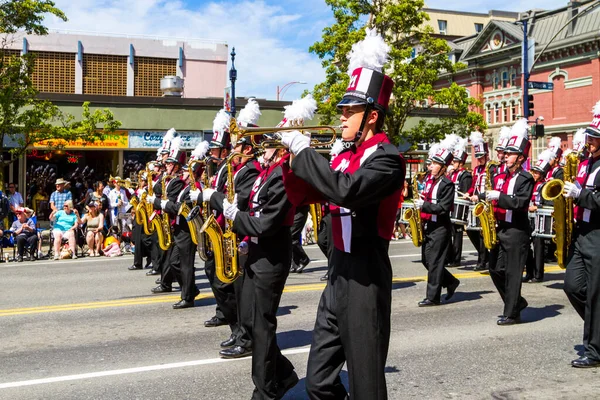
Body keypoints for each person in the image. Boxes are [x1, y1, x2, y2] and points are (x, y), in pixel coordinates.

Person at [281, 30, 405, 399]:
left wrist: (306, 153)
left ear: (372, 115)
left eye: (350, 109)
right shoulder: (345, 156)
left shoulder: (388, 159)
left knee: (367, 386)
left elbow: (346, 191)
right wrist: (291, 160)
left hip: (366, 277)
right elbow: (306, 195)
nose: (342, 114)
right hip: (338, 274)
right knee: (319, 382)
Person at [221, 140, 297, 399]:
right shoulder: (266, 173)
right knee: (252, 323)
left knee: (263, 326)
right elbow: (251, 206)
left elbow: (265, 223)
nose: (262, 151)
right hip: (255, 251)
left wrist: (233, 214)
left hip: (271, 255)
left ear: (281, 150)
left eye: (268, 147)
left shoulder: (283, 175)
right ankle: (284, 374)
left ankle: (264, 391)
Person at [201, 99, 262, 357]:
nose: (231, 147)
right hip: (231, 233)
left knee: (240, 292)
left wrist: (212, 197)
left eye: (237, 143)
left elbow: (237, 202)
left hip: (243, 236)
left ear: (248, 148)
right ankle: (238, 332)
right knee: (232, 288)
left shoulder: (249, 170)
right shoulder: (235, 169)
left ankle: (246, 338)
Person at [477, 119, 533, 325]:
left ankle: (512, 313)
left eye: (509, 154)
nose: (505, 156)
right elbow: (494, 195)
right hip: (501, 229)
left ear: (520, 157)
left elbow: (520, 202)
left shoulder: (526, 178)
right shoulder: (500, 175)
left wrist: (498, 197)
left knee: (512, 273)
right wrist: (483, 197)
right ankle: (516, 302)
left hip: (517, 231)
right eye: (506, 154)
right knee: (495, 269)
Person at [562, 101, 600, 368]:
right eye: (589, 136)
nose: (589, 141)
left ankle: (595, 351)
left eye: (594, 138)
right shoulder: (587, 163)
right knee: (573, 286)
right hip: (581, 233)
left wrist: (581, 194)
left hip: (598, 235)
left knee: (596, 293)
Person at [149, 138, 207, 309]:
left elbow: (180, 207)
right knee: (175, 262)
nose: (184, 173)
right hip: (180, 229)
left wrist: (163, 204)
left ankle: (188, 296)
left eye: (188, 171)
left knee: (186, 264)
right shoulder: (186, 186)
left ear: (194, 173)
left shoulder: (194, 188)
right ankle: (190, 289)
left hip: (188, 230)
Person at [415, 136, 460, 306]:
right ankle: (450, 282)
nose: (430, 166)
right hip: (428, 225)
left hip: (440, 227)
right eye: (431, 163)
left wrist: (424, 205)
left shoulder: (447, 184)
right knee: (427, 260)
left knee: (434, 262)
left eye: (434, 164)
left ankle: (432, 297)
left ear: (442, 168)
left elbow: (443, 208)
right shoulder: (428, 181)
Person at [203, 109, 234, 328]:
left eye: (215, 149)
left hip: (225, 227)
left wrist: (211, 195)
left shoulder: (228, 168)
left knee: (221, 278)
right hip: (216, 223)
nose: (212, 152)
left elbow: (226, 197)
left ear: (224, 151)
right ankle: (222, 312)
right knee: (212, 272)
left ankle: (230, 316)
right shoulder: (219, 169)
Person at [147, 136, 185, 295]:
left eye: (170, 163)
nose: (166, 164)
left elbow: (169, 200)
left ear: (176, 165)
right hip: (162, 217)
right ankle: (166, 281)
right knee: (165, 253)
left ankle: (168, 282)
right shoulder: (166, 177)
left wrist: (156, 201)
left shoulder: (176, 180)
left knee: (169, 255)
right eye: (167, 162)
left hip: (170, 219)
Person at [524, 150, 553, 283]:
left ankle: (538, 274)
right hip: (529, 218)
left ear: (542, 174)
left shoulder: (546, 185)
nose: (534, 174)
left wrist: (536, 207)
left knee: (538, 247)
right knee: (525, 245)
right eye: (533, 172)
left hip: (539, 219)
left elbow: (549, 203)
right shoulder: (531, 184)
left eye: (537, 172)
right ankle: (529, 272)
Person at [466, 132, 492, 271]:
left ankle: (482, 260)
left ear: (486, 155)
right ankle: (484, 256)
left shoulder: (491, 168)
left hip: (486, 202)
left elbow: (492, 188)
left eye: (481, 157)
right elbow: (473, 185)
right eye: (478, 157)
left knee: (482, 231)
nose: (479, 159)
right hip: (476, 202)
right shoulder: (476, 169)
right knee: (471, 230)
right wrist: (468, 193)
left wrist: (480, 196)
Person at [446, 136, 472, 267]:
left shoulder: (465, 175)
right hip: (451, 205)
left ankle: (456, 259)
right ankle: (450, 256)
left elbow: (465, 193)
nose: (453, 164)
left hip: (459, 208)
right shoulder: (452, 174)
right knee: (450, 233)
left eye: (455, 162)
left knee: (457, 234)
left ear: (461, 163)